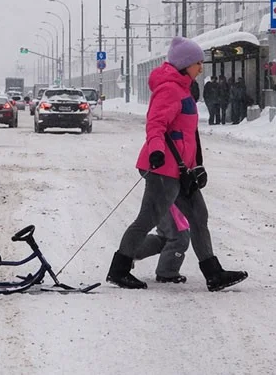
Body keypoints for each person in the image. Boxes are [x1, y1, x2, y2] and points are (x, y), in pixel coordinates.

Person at [106, 36, 249, 292]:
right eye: (197, 63)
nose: (201, 68)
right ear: (185, 64)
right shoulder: (170, 89)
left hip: (182, 170)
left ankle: (213, 273)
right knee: (147, 219)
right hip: (163, 168)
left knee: (198, 215)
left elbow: (186, 134)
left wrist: (197, 166)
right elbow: (156, 124)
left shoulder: (183, 89)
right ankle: (119, 269)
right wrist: (157, 152)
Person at [131, 205, 192, 283]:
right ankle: (166, 272)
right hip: (170, 201)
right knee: (179, 239)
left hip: (166, 201)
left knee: (166, 237)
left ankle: (130, 252)